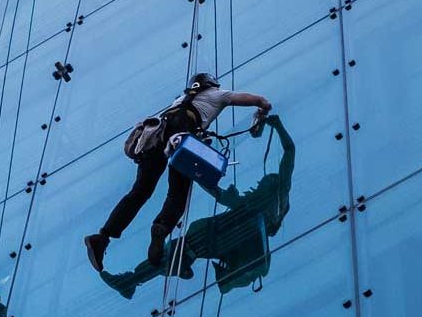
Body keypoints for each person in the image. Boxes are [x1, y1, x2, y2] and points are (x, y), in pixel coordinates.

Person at [84, 73, 272, 271]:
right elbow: (258, 100)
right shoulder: (218, 94)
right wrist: (263, 109)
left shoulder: (180, 99)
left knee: (140, 192)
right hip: (181, 140)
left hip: (156, 139)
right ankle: (161, 227)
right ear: (212, 84)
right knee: (178, 195)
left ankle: (102, 237)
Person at [99, 114, 294, 299]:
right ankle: (139, 279)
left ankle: (134, 281)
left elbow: (289, 152)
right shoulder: (250, 207)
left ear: (272, 185)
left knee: (174, 253)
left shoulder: (274, 197)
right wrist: (197, 172)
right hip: (211, 239)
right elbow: (218, 194)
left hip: (212, 239)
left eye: (263, 183)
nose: (258, 185)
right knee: (175, 253)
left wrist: (278, 126)